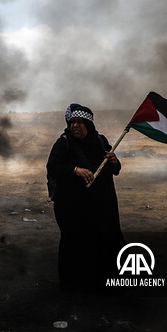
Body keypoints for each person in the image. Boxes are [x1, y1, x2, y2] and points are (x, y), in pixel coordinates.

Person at [46, 103, 124, 291]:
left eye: (80, 122)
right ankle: (74, 287)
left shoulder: (100, 141)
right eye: (72, 122)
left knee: (103, 241)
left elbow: (115, 170)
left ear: (89, 124)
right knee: (75, 243)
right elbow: (53, 167)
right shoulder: (63, 143)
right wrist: (74, 170)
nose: (75, 125)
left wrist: (115, 162)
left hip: (101, 205)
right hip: (72, 207)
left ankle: (102, 282)